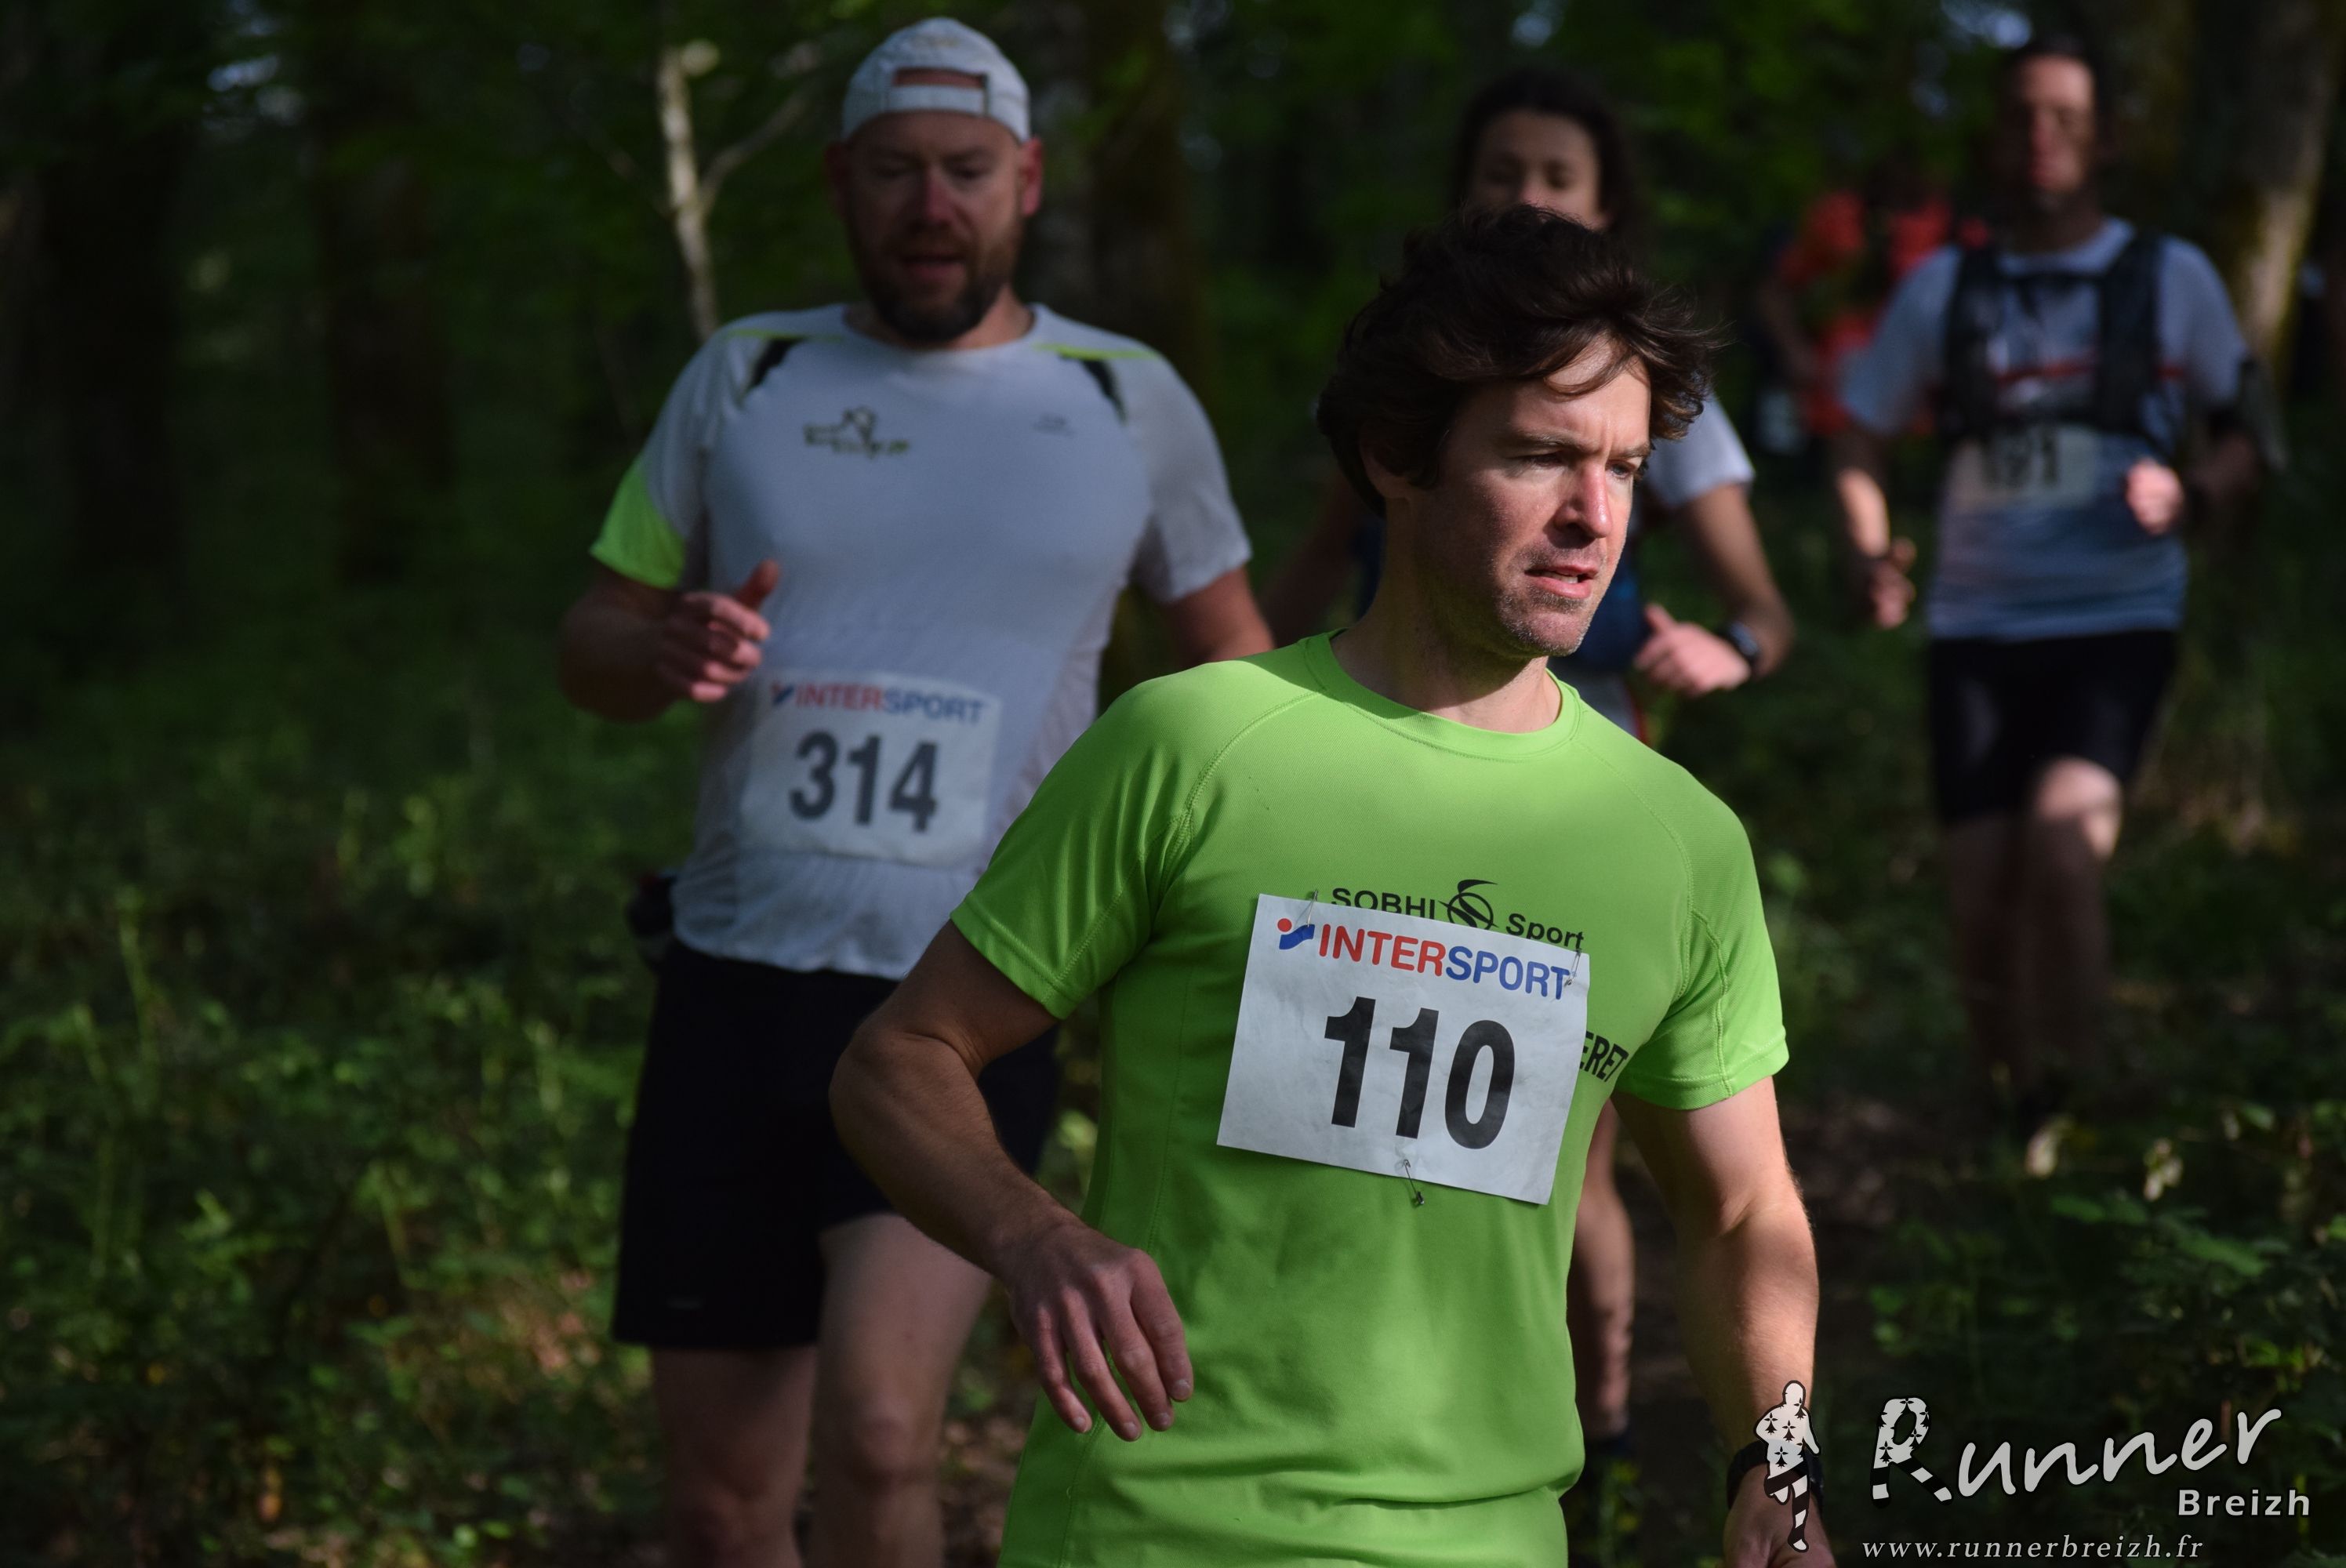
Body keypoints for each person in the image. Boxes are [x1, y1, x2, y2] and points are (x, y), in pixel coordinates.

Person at [835, 205, 1829, 1567]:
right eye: (1541, 455)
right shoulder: (1193, 745)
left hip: (1493, 1544)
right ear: (1396, 458)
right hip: (1155, 1534)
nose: (1594, 517)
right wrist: (1032, 1237)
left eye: (1625, 468)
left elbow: (1743, 1213)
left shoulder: (1675, 839)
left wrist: (1779, 1465)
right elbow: (898, 1061)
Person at [555, 20, 1271, 1567]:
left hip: (967, 999)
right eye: (894, 172)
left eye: (964, 171)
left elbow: (1235, 675)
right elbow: (592, 640)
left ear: (1027, 181)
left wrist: (1213, 899)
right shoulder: (745, 373)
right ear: (840, 182)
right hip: (731, 984)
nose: (929, 206)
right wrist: (657, 643)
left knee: (882, 1433)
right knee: (720, 1506)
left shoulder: (1124, 396)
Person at [1263, 67, 1796, 1523]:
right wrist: (1246, 704)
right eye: (1503, 171)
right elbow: (1309, 561)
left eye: (1557, 175)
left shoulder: (1681, 842)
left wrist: (1733, 649)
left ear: (1606, 202)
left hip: (1586, 775)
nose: (1527, 195)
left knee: (1568, 1161)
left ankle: (1596, 1432)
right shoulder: (1417, 387)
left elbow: (1762, 607)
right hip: (1367, 754)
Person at [1831, 34, 2263, 1131]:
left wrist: (2196, 492)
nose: (2041, 138)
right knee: (1980, 894)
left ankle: (2081, 1115)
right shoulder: (1944, 287)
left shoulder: (2173, 277)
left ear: (2105, 140)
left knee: (2063, 846)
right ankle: (2006, 1114)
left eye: (2066, 118)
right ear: (1993, 137)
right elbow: (1861, 434)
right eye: (2023, 116)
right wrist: (1870, 547)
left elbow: (2246, 428)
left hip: (2119, 618)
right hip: (1976, 630)